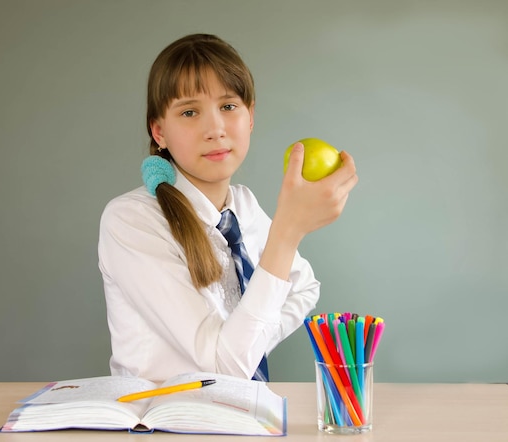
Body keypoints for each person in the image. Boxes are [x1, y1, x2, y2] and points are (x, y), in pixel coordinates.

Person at [98, 33, 358, 383]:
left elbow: (305, 287)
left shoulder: (243, 205)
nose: (215, 129)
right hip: (157, 426)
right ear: (159, 132)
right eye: (189, 112)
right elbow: (226, 369)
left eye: (228, 106)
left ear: (250, 117)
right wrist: (288, 231)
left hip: (244, 419)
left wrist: (251, 338)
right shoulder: (132, 220)